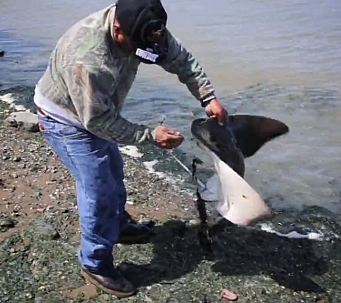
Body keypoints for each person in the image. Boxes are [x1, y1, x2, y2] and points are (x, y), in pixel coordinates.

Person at [33, 0, 228, 298]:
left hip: (98, 109)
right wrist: (150, 136)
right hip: (66, 119)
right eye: (135, 47)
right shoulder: (86, 59)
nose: (141, 51)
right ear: (117, 29)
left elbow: (179, 59)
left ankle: (118, 225)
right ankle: (95, 262)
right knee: (98, 189)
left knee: (114, 170)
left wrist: (207, 97)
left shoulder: (144, 26)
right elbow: (98, 122)